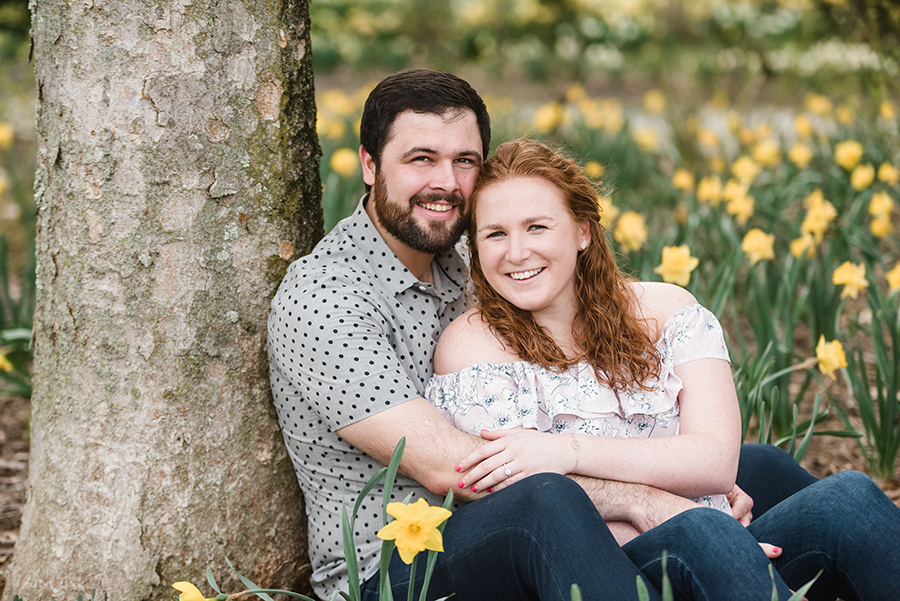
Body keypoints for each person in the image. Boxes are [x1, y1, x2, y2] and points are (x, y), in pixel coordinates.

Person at [269, 69, 824, 601]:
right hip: (401, 567)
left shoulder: (471, 257)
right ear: (370, 164)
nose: (446, 182)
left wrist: (692, 482)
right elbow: (457, 469)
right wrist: (649, 500)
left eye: (464, 161)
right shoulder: (324, 299)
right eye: (421, 159)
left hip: (524, 510)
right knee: (550, 501)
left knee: (761, 468)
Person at [425, 138, 900, 601]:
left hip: (721, 535)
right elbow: (528, 503)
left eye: (537, 227)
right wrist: (692, 517)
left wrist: (565, 450)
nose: (516, 252)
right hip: (605, 563)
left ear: (583, 231)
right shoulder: (473, 347)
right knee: (703, 531)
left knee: (849, 499)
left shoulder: (668, 312)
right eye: (495, 234)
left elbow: (715, 462)